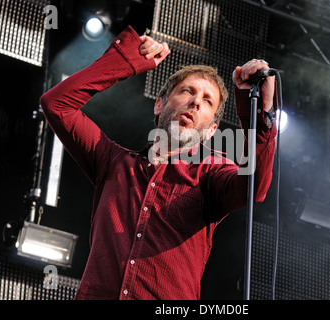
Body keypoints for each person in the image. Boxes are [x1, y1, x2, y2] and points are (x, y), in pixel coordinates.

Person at [40, 25, 277, 300]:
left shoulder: (210, 172)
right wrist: (124, 61)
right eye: (187, 92)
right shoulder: (113, 162)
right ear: (159, 105)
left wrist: (257, 113)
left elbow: (255, 187)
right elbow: (56, 104)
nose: (195, 102)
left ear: (211, 130)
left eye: (207, 101)